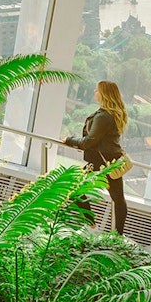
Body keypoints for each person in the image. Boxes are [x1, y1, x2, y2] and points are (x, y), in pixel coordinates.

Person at [63, 80, 129, 235]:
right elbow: (100, 141)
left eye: (97, 90)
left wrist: (70, 140)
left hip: (100, 163)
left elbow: (89, 141)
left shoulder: (103, 116)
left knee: (75, 188)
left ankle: (91, 227)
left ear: (104, 94)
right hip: (111, 161)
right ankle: (117, 235)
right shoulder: (111, 114)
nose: (95, 92)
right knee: (118, 199)